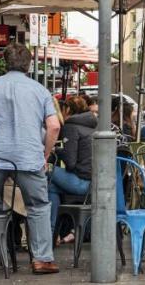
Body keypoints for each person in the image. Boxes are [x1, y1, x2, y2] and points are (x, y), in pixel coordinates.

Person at [0, 42, 61, 275]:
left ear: (4, 62)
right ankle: (41, 259)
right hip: (28, 156)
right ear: (29, 64)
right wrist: (45, 153)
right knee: (38, 206)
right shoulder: (40, 90)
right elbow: (54, 126)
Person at [48, 96, 93, 241]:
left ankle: (50, 232)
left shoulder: (71, 127)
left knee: (45, 171)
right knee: (51, 187)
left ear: (67, 109)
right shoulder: (93, 124)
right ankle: (53, 234)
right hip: (95, 184)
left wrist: (57, 151)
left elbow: (70, 163)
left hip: (81, 183)